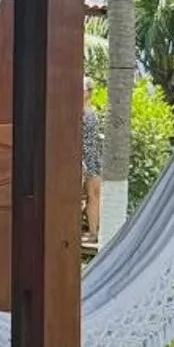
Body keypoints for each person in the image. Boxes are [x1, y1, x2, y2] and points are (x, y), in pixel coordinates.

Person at [82, 90, 104, 242]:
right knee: (92, 195)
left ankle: (93, 233)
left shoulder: (88, 113)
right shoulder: (90, 111)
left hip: (89, 157)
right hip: (89, 156)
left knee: (93, 195)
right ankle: (92, 232)